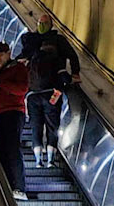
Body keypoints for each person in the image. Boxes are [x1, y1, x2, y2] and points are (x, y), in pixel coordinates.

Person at [0, 40, 30, 201]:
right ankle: (7, 186)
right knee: (1, 150)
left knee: (12, 148)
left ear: (9, 53)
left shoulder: (18, 68)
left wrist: (0, 84)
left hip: (13, 112)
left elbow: (22, 89)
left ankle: (19, 187)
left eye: (1, 55)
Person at [26, 26, 76, 168]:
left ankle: (37, 160)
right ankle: (50, 160)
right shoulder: (56, 60)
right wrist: (72, 79)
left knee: (36, 126)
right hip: (51, 96)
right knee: (52, 127)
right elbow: (64, 77)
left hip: (33, 97)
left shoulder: (33, 60)